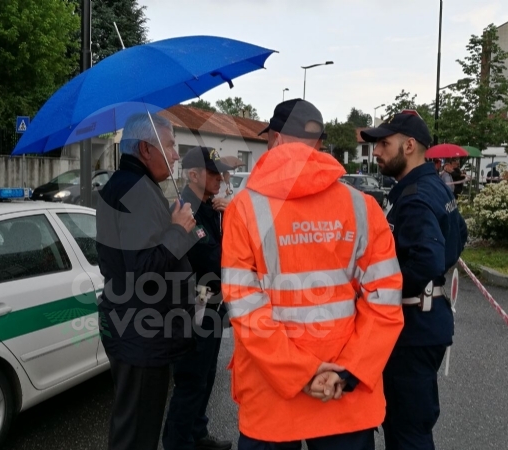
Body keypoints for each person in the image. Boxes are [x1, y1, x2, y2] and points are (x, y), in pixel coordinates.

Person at [221, 98, 405, 449]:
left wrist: (301, 373)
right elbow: (385, 301)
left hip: (272, 400)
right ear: (319, 143)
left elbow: (244, 309)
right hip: (343, 398)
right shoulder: (362, 207)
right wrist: (347, 371)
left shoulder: (244, 209)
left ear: (274, 139)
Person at [362, 110, 468, 450]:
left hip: (412, 329)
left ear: (409, 145)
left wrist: (375, 291)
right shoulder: (431, 185)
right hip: (425, 321)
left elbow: (427, 259)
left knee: (407, 431)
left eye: (383, 144)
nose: (376, 151)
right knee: (410, 425)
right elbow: (459, 235)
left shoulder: (416, 196)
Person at [96, 112, 199, 450]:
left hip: (134, 328)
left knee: (132, 423)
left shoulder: (127, 184)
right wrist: (177, 230)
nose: (175, 155)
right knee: (138, 431)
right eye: (170, 145)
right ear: (145, 149)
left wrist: (178, 229)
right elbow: (142, 271)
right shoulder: (137, 190)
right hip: (141, 332)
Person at [162, 146, 234, 450]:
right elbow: (214, 259)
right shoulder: (185, 211)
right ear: (193, 175)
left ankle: (197, 432)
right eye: (213, 172)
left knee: (205, 377)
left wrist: (227, 216)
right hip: (195, 307)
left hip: (213, 307)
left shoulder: (207, 207)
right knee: (191, 380)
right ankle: (178, 443)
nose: (221, 177)